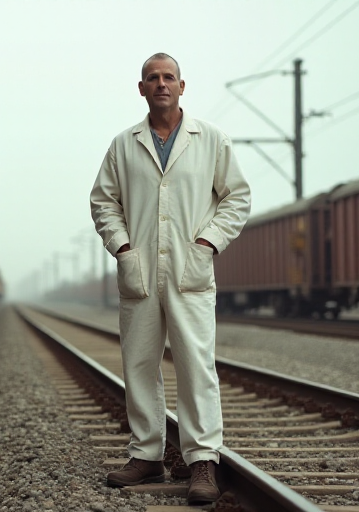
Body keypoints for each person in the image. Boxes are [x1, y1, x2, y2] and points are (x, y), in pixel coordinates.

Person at [89, 53, 251, 505]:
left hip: (189, 269)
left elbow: (237, 198)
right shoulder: (123, 145)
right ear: (141, 88)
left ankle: (202, 461)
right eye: (152, 78)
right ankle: (147, 456)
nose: (161, 83)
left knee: (196, 366)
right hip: (139, 271)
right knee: (139, 364)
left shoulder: (211, 139)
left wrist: (208, 243)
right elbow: (103, 202)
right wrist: (123, 247)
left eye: (168, 77)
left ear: (182, 86)